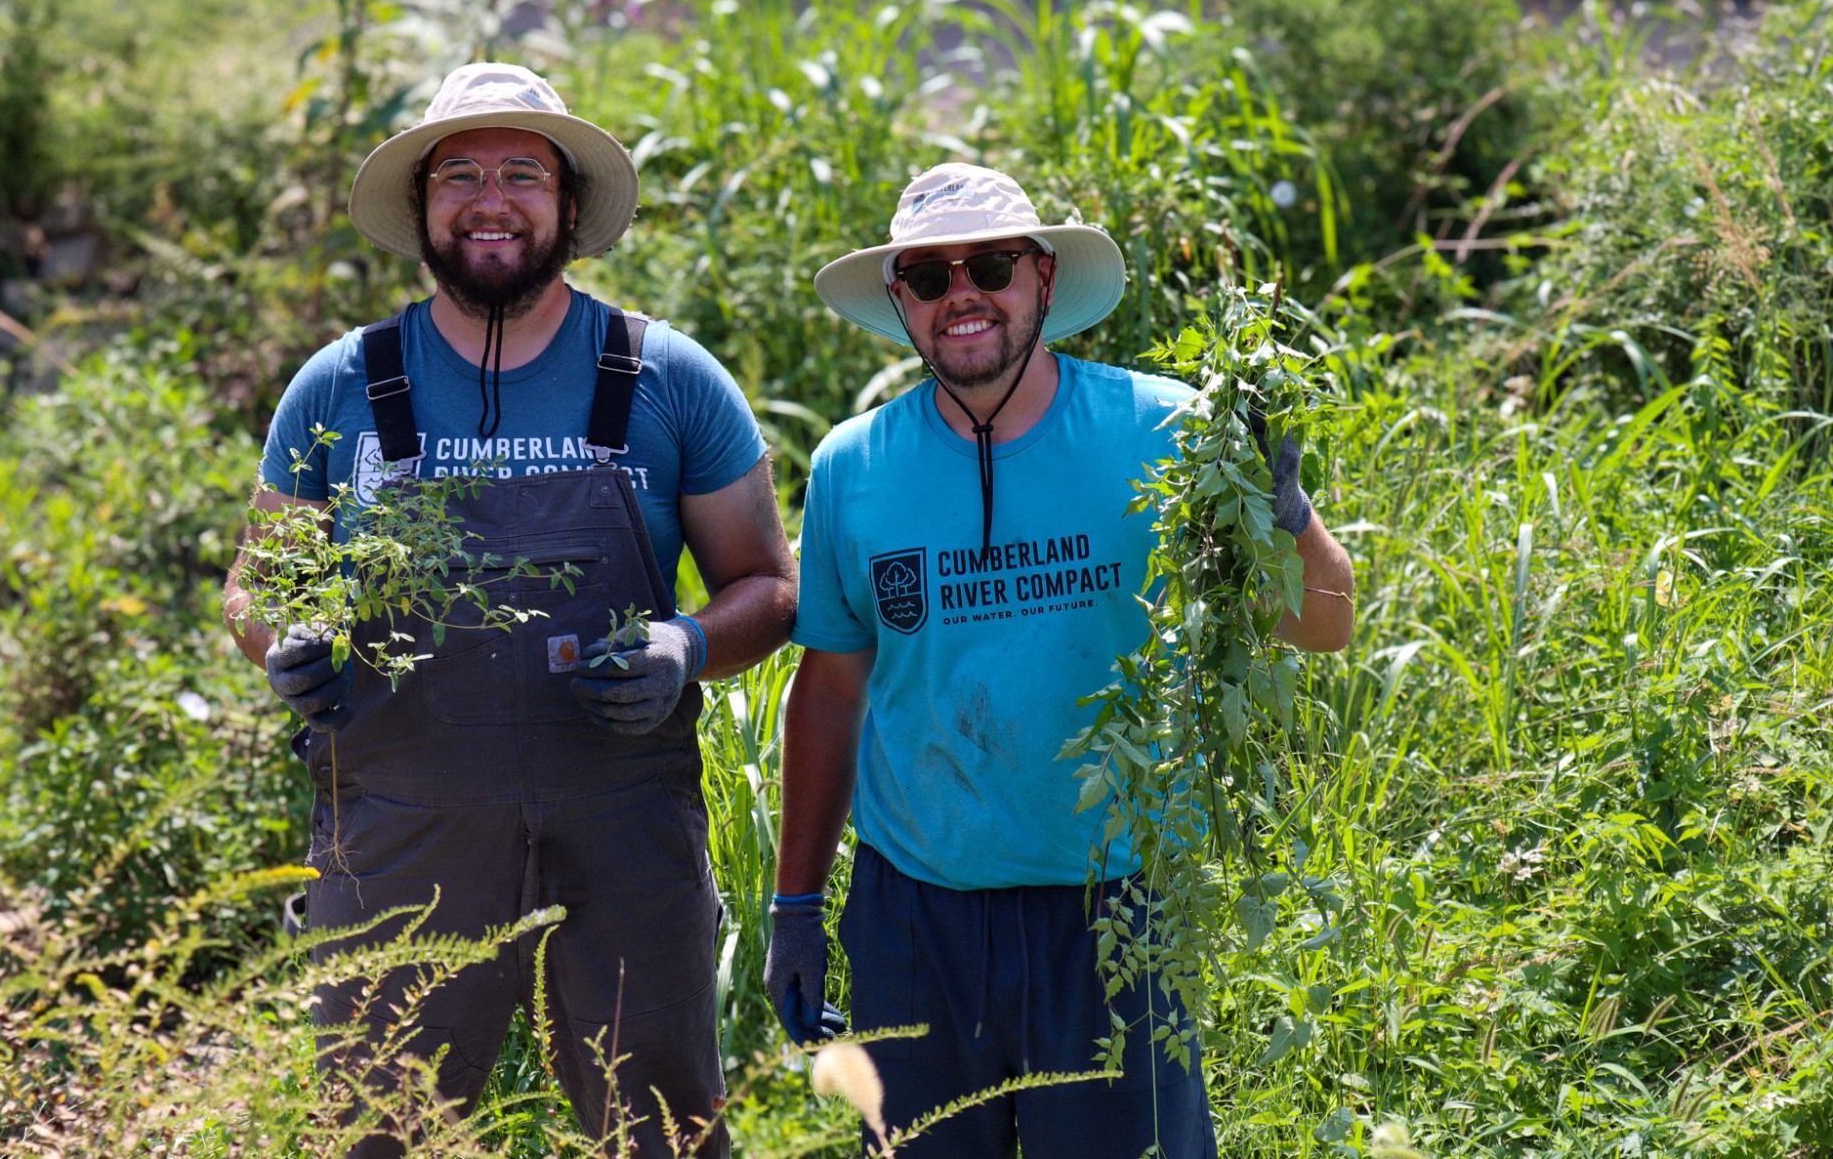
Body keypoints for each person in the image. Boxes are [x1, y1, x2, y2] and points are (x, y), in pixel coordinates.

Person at [222, 62, 796, 1158]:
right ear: (422, 206)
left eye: (521, 173)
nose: (491, 198)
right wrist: (286, 642)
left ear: (570, 205)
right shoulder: (341, 386)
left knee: (661, 1129)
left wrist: (684, 642)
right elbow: (263, 581)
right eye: (461, 174)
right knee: (376, 1132)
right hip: (397, 827)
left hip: (625, 825)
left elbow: (767, 588)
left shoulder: (666, 378)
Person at [762, 163, 1355, 1156]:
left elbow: (1321, 625)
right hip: (914, 913)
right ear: (898, 301)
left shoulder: (1162, 429)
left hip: (1116, 911)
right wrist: (794, 903)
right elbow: (828, 689)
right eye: (927, 275)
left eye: (990, 265)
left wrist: (1284, 512)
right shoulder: (851, 466)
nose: (963, 293)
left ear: (1040, 279)